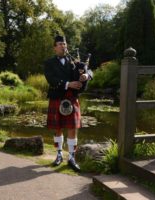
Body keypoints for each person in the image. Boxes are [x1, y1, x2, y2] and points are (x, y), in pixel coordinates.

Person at [43, 34, 92, 172]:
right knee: (57, 128)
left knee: (72, 129)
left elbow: (88, 69)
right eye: (60, 44)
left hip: (71, 98)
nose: (63, 46)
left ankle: (71, 157)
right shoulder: (49, 63)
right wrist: (68, 84)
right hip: (57, 97)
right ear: (54, 48)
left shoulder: (74, 61)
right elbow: (51, 79)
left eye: (64, 44)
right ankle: (59, 155)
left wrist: (86, 75)